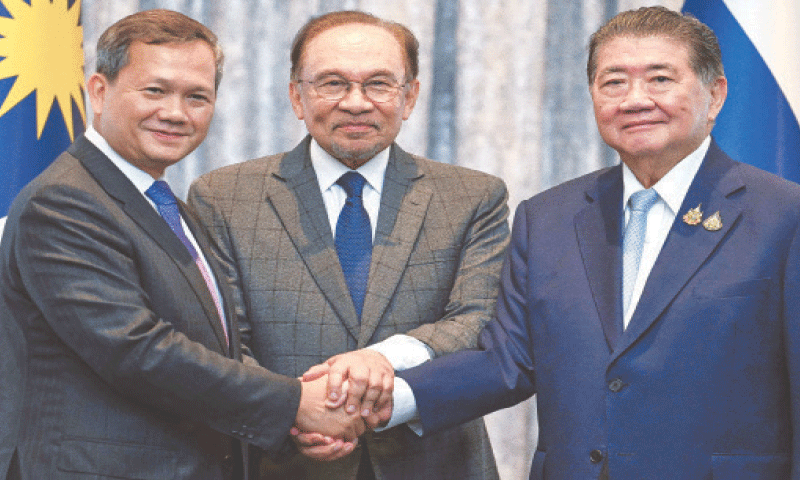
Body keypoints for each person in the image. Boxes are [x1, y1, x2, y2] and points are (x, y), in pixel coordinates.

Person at [391, 6, 800, 479]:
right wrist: (387, 399)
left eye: (660, 79)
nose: (635, 99)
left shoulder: (783, 217)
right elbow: (507, 362)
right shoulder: (547, 218)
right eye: (613, 83)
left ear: (716, 94)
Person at [0, 10, 363, 480]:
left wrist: (289, 418)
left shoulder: (166, 204)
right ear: (98, 91)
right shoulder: (65, 201)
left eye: (197, 96)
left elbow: (213, 344)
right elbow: (138, 351)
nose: (175, 113)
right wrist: (294, 404)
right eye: (155, 90)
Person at [187, 10, 509, 480]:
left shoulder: (473, 196)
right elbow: (221, 339)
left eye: (379, 83)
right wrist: (293, 411)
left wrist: (382, 359)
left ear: (410, 96)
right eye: (333, 83)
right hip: (280, 463)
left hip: (435, 464)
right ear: (297, 96)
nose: (356, 103)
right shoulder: (223, 197)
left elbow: (480, 318)